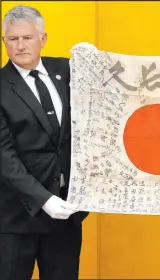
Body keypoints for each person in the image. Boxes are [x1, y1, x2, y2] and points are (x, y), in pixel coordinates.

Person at [0, 5, 88, 280]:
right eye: (13, 39)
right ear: (5, 42)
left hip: (66, 215)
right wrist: (43, 200)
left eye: (27, 37)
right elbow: (4, 155)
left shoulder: (67, 70)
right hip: (15, 219)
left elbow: (110, 95)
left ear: (43, 38)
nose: (20, 46)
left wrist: (97, 63)